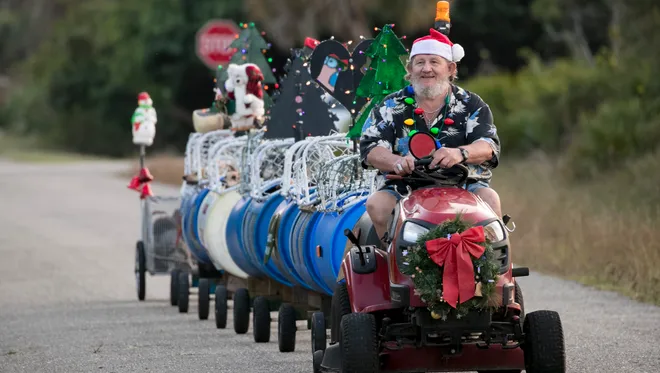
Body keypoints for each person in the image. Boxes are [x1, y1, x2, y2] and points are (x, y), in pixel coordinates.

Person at [359, 28, 502, 245]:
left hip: (463, 184)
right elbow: (370, 149)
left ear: (450, 68)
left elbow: (488, 146)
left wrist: (460, 153)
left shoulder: (472, 104)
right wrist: (397, 161)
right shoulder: (389, 105)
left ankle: (494, 274)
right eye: (420, 62)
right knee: (376, 206)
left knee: (491, 199)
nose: (427, 69)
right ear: (410, 69)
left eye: (434, 62)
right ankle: (398, 269)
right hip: (404, 185)